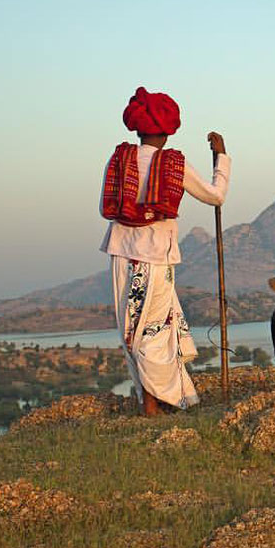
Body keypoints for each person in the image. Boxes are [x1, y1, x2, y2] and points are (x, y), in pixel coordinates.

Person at [100, 86, 230, 416]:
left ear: (139, 127)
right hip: (155, 256)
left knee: (133, 330)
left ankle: (157, 399)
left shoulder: (118, 160)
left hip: (120, 254)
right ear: (168, 131)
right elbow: (216, 196)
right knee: (154, 331)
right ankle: (153, 405)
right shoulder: (174, 164)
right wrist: (223, 157)